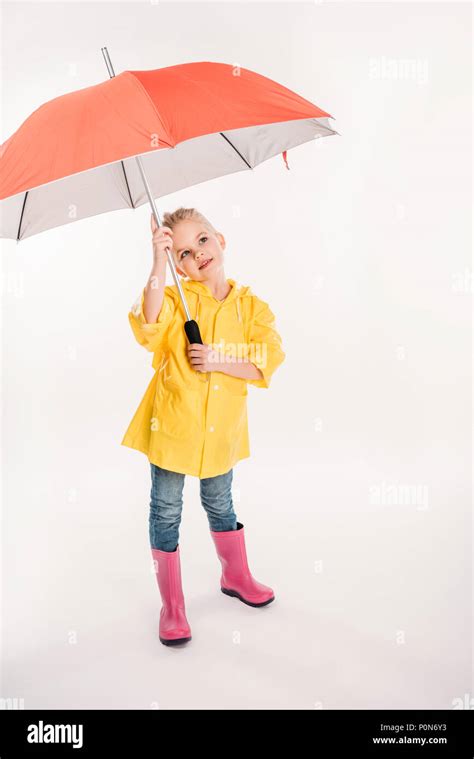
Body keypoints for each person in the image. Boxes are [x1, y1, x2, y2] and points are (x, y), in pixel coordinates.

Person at [121, 207, 285, 646]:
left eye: (203, 241)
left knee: (221, 502)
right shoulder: (175, 296)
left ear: (222, 239)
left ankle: (236, 575)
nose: (198, 255)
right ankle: (172, 605)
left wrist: (219, 360)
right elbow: (148, 321)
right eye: (185, 253)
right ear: (179, 265)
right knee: (166, 509)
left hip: (221, 432)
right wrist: (157, 264)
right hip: (173, 426)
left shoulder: (252, 307)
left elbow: (267, 359)